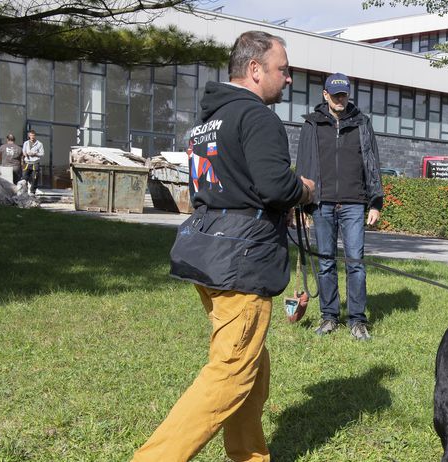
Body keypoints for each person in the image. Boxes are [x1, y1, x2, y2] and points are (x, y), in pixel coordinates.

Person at [132, 31, 314, 462]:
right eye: (283, 69)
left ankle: (249, 455)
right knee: (231, 373)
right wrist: (305, 189)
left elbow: (225, 186)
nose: (288, 78)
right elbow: (275, 186)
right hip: (242, 264)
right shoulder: (257, 117)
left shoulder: (207, 124)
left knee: (251, 365)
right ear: (255, 69)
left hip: (209, 254)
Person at [295, 72, 383, 341]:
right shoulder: (312, 124)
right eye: (335, 95)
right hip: (321, 203)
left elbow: (372, 162)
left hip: (354, 203)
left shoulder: (362, 123)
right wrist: (302, 205)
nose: (340, 99)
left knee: (355, 263)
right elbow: (303, 165)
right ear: (325, 95)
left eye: (343, 94)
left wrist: (375, 202)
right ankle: (329, 317)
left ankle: (357, 320)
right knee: (325, 263)